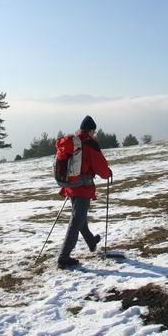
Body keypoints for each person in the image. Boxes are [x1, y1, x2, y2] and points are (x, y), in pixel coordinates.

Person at [57, 115, 112, 269]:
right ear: (92, 130)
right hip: (82, 187)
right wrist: (107, 173)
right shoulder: (89, 144)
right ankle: (64, 257)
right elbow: (100, 167)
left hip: (70, 185)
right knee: (76, 221)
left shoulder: (74, 142)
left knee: (80, 218)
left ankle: (91, 241)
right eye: (94, 131)